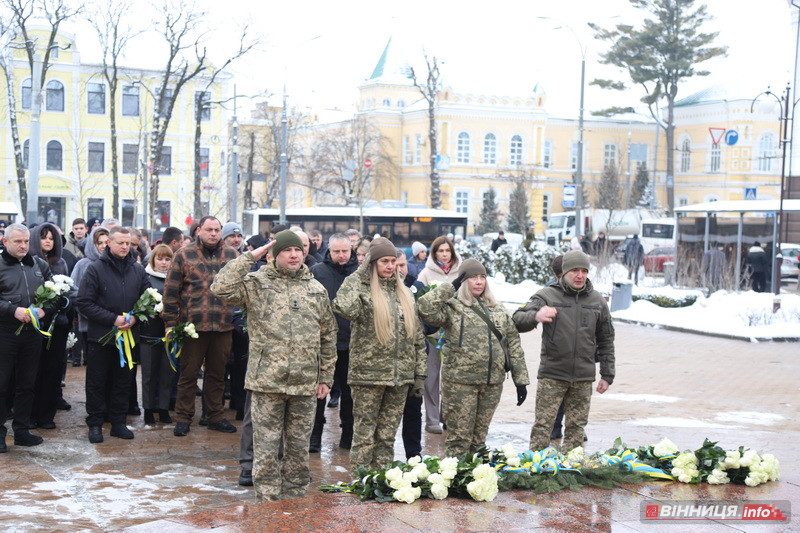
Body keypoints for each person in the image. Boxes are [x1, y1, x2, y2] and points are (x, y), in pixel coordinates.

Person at [211, 230, 336, 502]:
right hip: (267, 382)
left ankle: (294, 503)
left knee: (298, 450)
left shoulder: (315, 289)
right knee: (266, 449)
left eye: (297, 251)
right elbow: (220, 287)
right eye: (286, 251)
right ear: (273, 254)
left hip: (305, 384)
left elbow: (328, 335)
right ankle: (268, 507)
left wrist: (325, 376)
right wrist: (250, 256)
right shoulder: (257, 283)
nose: (293, 255)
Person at [332, 237, 426, 474]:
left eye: (393, 261)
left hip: (400, 378)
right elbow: (343, 307)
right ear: (372, 263)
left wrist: (419, 375)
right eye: (384, 261)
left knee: (386, 435)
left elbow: (417, 338)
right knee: (364, 434)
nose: (390, 266)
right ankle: (362, 480)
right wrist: (359, 274)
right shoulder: (360, 289)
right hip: (368, 376)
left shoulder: (404, 293)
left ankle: (382, 478)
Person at [417, 259, 529, 457]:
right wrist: (448, 288)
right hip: (460, 384)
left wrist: (521, 381)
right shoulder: (452, 308)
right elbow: (424, 308)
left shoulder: (498, 309)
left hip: (491, 384)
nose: (479, 282)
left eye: (482, 277)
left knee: (479, 440)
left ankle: (477, 482)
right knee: (459, 440)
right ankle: (456, 481)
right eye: (472, 278)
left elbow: (513, 344)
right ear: (463, 281)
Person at [512, 250, 615, 453]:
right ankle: (537, 468)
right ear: (564, 272)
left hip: (583, 378)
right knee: (543, 426)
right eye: (575, 270)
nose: (580, 275)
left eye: (584, 271)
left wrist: (607, 374)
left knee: (576, 429)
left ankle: (570, 471)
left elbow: (606, 339)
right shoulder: (547, 295)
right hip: (552, 374)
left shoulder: (597, 301)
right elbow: (516, 318)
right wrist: (536, 315)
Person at [163, 216, 239, 437]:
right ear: (199, 231)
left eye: (217, 230)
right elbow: (170, 292)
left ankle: (215, 415)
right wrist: (170, 323)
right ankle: (183, 417)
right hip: (193, 326)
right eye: (209, 229)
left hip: (223, 325)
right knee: (188, 375)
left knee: (217, 375)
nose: (213, 233)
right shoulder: (183, 255)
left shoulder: (233, 256)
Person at [77, 226, 150, 443]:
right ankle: (96, 424)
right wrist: (112, 319)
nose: (125, 247)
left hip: (128, 337)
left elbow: (149, 298)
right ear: (108, 243)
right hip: (101, 337)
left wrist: (136, 317)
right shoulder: (95, 268)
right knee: (97, 381)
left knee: (123, 381)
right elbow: (84, 302)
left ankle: (118, 422)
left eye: (128, 243)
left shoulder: (137, 270)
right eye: (120, 243)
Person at [0, 224, 52, 451]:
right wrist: (13, 311)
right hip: (5, 333)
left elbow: (54, 293)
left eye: (26, 242)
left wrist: (44, 309)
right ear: (5, 242)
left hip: (32, 333)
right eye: (17, 242)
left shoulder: (38, 264)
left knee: (27, 384)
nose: (23, 246)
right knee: (1, 385)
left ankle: (21, 430)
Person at [309, 233, 359, 452]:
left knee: (350, 395)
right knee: (319, 393)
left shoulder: (360, 274)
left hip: (352, 343)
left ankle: (348, 438)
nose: (341, 255)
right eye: (336, 251)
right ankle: (313, 439)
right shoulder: (317, 272)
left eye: (345, 251)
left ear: (351, 250)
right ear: (329, 250)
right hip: (324, 344)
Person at [417, 235, 462, 434]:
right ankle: (432, 419)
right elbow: (420, 301)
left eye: (447, 250)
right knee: (431, 377)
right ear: (434, 253)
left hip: (455, 333)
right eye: (440, 251)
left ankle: (448, 416)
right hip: (433, 335)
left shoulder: (461, 273)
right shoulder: (426, 273)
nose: (444, 254)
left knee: (452, 377)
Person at [28, 223, 71, 430]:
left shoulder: (61, 263)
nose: (47, 241)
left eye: (51, 238)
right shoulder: (28, 263)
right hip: (35, 324)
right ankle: (30, 414)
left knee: (53, 370)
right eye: (43, 237)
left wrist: (65, 301)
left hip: (58, 326)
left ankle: (46, 415)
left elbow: (71, 291)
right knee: (33, 370)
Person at [140, 244, 174, 425]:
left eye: (167, 259)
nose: (163, 263)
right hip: (150, 332)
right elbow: (139, 303)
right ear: (153, 260)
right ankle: (148, 408)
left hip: (169, 333)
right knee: (149, 373)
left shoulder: (175, 278)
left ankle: (163, 408)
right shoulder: (145, 278)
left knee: (167, 373)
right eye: (160, 259)